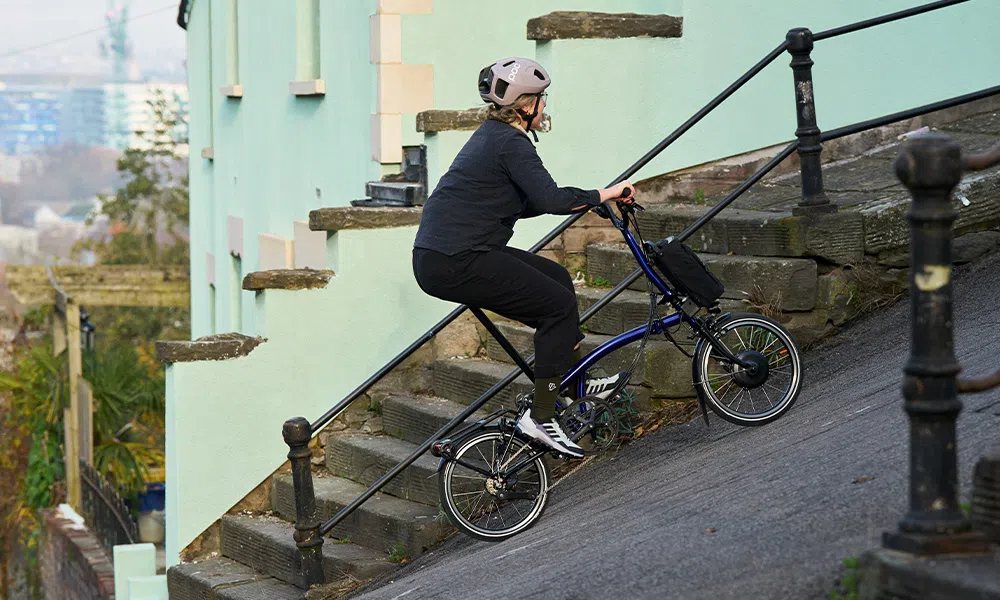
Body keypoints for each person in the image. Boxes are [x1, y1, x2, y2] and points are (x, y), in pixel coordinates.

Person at [412, 57, 635, 458]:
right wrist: (604, 194)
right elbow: (549, 200)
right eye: (541, 98)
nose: (544, 106)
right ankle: (543, 413)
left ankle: (567, 379)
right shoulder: (509, 142)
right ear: (523, 104)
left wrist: (588, 199)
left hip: (447, 255)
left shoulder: (493, 137)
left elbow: (521, 201)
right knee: (558, 306)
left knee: (557, 279)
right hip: (456, 258)